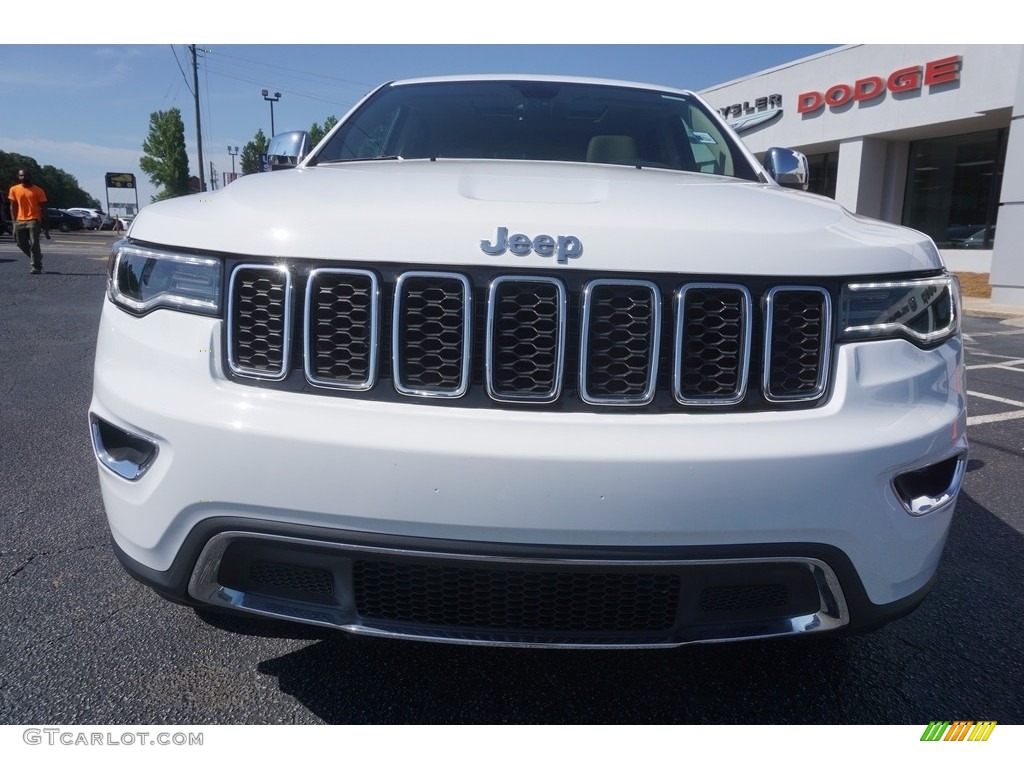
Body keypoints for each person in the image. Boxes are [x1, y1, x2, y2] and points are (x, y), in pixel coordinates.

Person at [8, 169, 49, 274]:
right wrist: (14, 221)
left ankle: (36, 266)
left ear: (30, 177)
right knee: (20, 243)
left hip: (33, 220)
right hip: (19, 220)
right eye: (21, 176)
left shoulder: (38, 191)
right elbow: (13, 206)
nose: (23, 178)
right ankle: (37, 256)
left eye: (25, 176)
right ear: (18, 177)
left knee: (34, 243)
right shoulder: (14, 189)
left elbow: (44, 208)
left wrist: (45, 225)